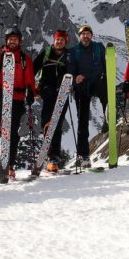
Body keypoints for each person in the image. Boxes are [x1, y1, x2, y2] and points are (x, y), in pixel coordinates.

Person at [0, 27, 37, 182]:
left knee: (13, 134)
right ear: (6, 40)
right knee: (5, 132)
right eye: (10, 39)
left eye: (16, 39)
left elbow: (30, 79)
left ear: (20, 41)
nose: (13, 41)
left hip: (17, 99)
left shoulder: (25, 59)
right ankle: (5, 163)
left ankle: (10, 165)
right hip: (3, 97)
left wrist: (31, 94)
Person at [33, 30, 72, 172]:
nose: (59, 42)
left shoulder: (69, 56)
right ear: (53, 40)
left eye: (62, 40)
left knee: (57, 124)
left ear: (65, 41)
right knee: (47, 123)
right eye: (57, 39)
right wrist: (32, 87)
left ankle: (53, 158)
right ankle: (49, 154)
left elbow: (74, 71)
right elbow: (33, 68)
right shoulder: (46, 53)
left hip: (63, 93)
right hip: (47, 91)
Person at [70, 25, 107, 168]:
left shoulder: (99, 47)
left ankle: (108, 117)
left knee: (106, 95)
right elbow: (71, 68)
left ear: (91, 35)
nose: (85, 36)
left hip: (97, 81)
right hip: (82, 87)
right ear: (80, 36)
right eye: (83, 34)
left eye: (88, 34)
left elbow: (105, 64)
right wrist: (75, 77)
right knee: (83, 122)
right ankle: (83, 155)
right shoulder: (74, 51)